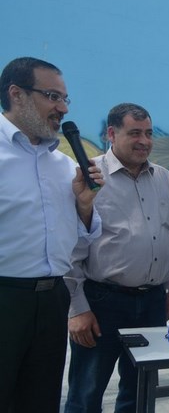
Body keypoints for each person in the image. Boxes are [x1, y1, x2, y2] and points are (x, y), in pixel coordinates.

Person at [64, 103, 169, 412]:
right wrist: (76, 308)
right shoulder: (87, 177)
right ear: (111, 133)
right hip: (103, 305)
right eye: (134, 133)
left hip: (152, 305)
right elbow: (69, 245)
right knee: (86, 396)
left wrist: (167, 290)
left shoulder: (164, 179)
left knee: (140, 394)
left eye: (148, 133)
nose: (144, 141)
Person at [0, 57, 102, 413]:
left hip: (51, 299)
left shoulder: (64, 166)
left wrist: (85, 206)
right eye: (52, 96)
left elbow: (80, 239)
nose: (62, 108)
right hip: (4, 298)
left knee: (41, 402)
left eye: (65, 99)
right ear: (17, 94)